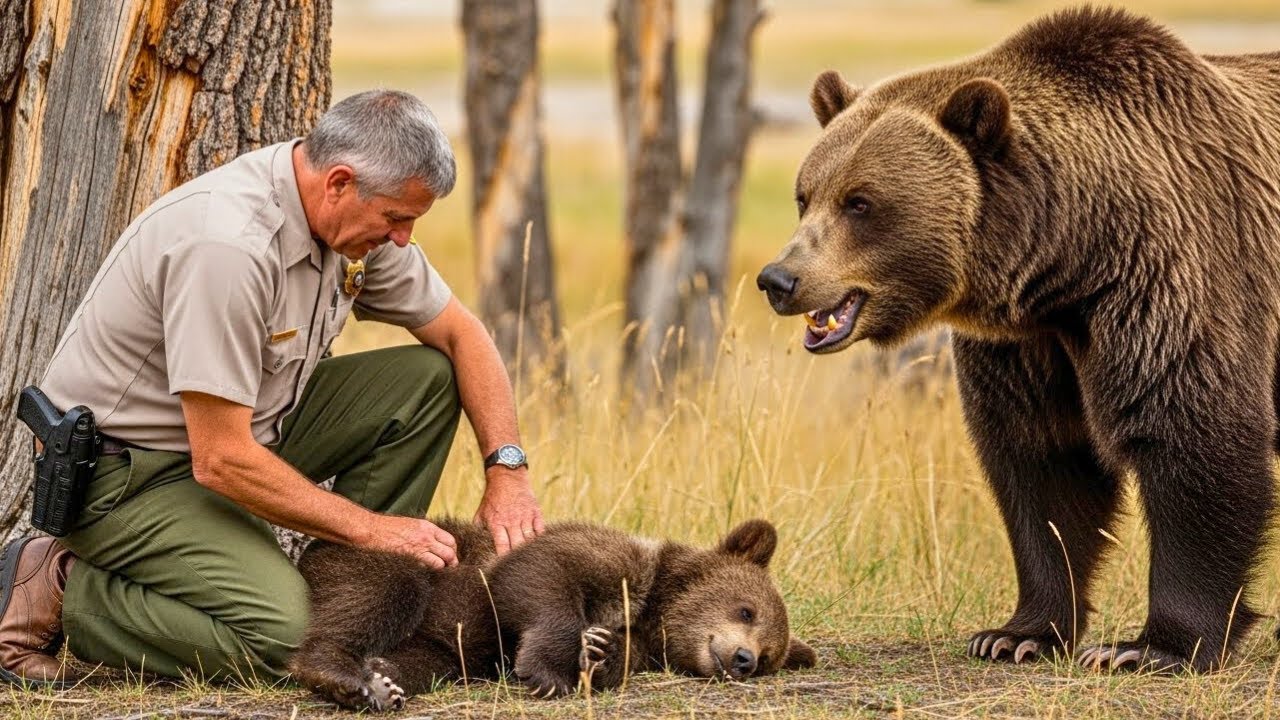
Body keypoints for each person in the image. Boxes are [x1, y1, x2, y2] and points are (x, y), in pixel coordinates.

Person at [0, 90, 544, 686]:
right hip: (126, 477)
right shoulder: (229, 246)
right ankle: (62, 588)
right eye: (396, 218)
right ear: (339, 182)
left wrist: (507, 470)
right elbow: (222, 460)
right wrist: (372, 528)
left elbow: (463, 334)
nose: (404, 240)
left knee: (427, 382)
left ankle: (362, 602)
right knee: (289, 640)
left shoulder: (351, 223)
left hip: (245, 433)